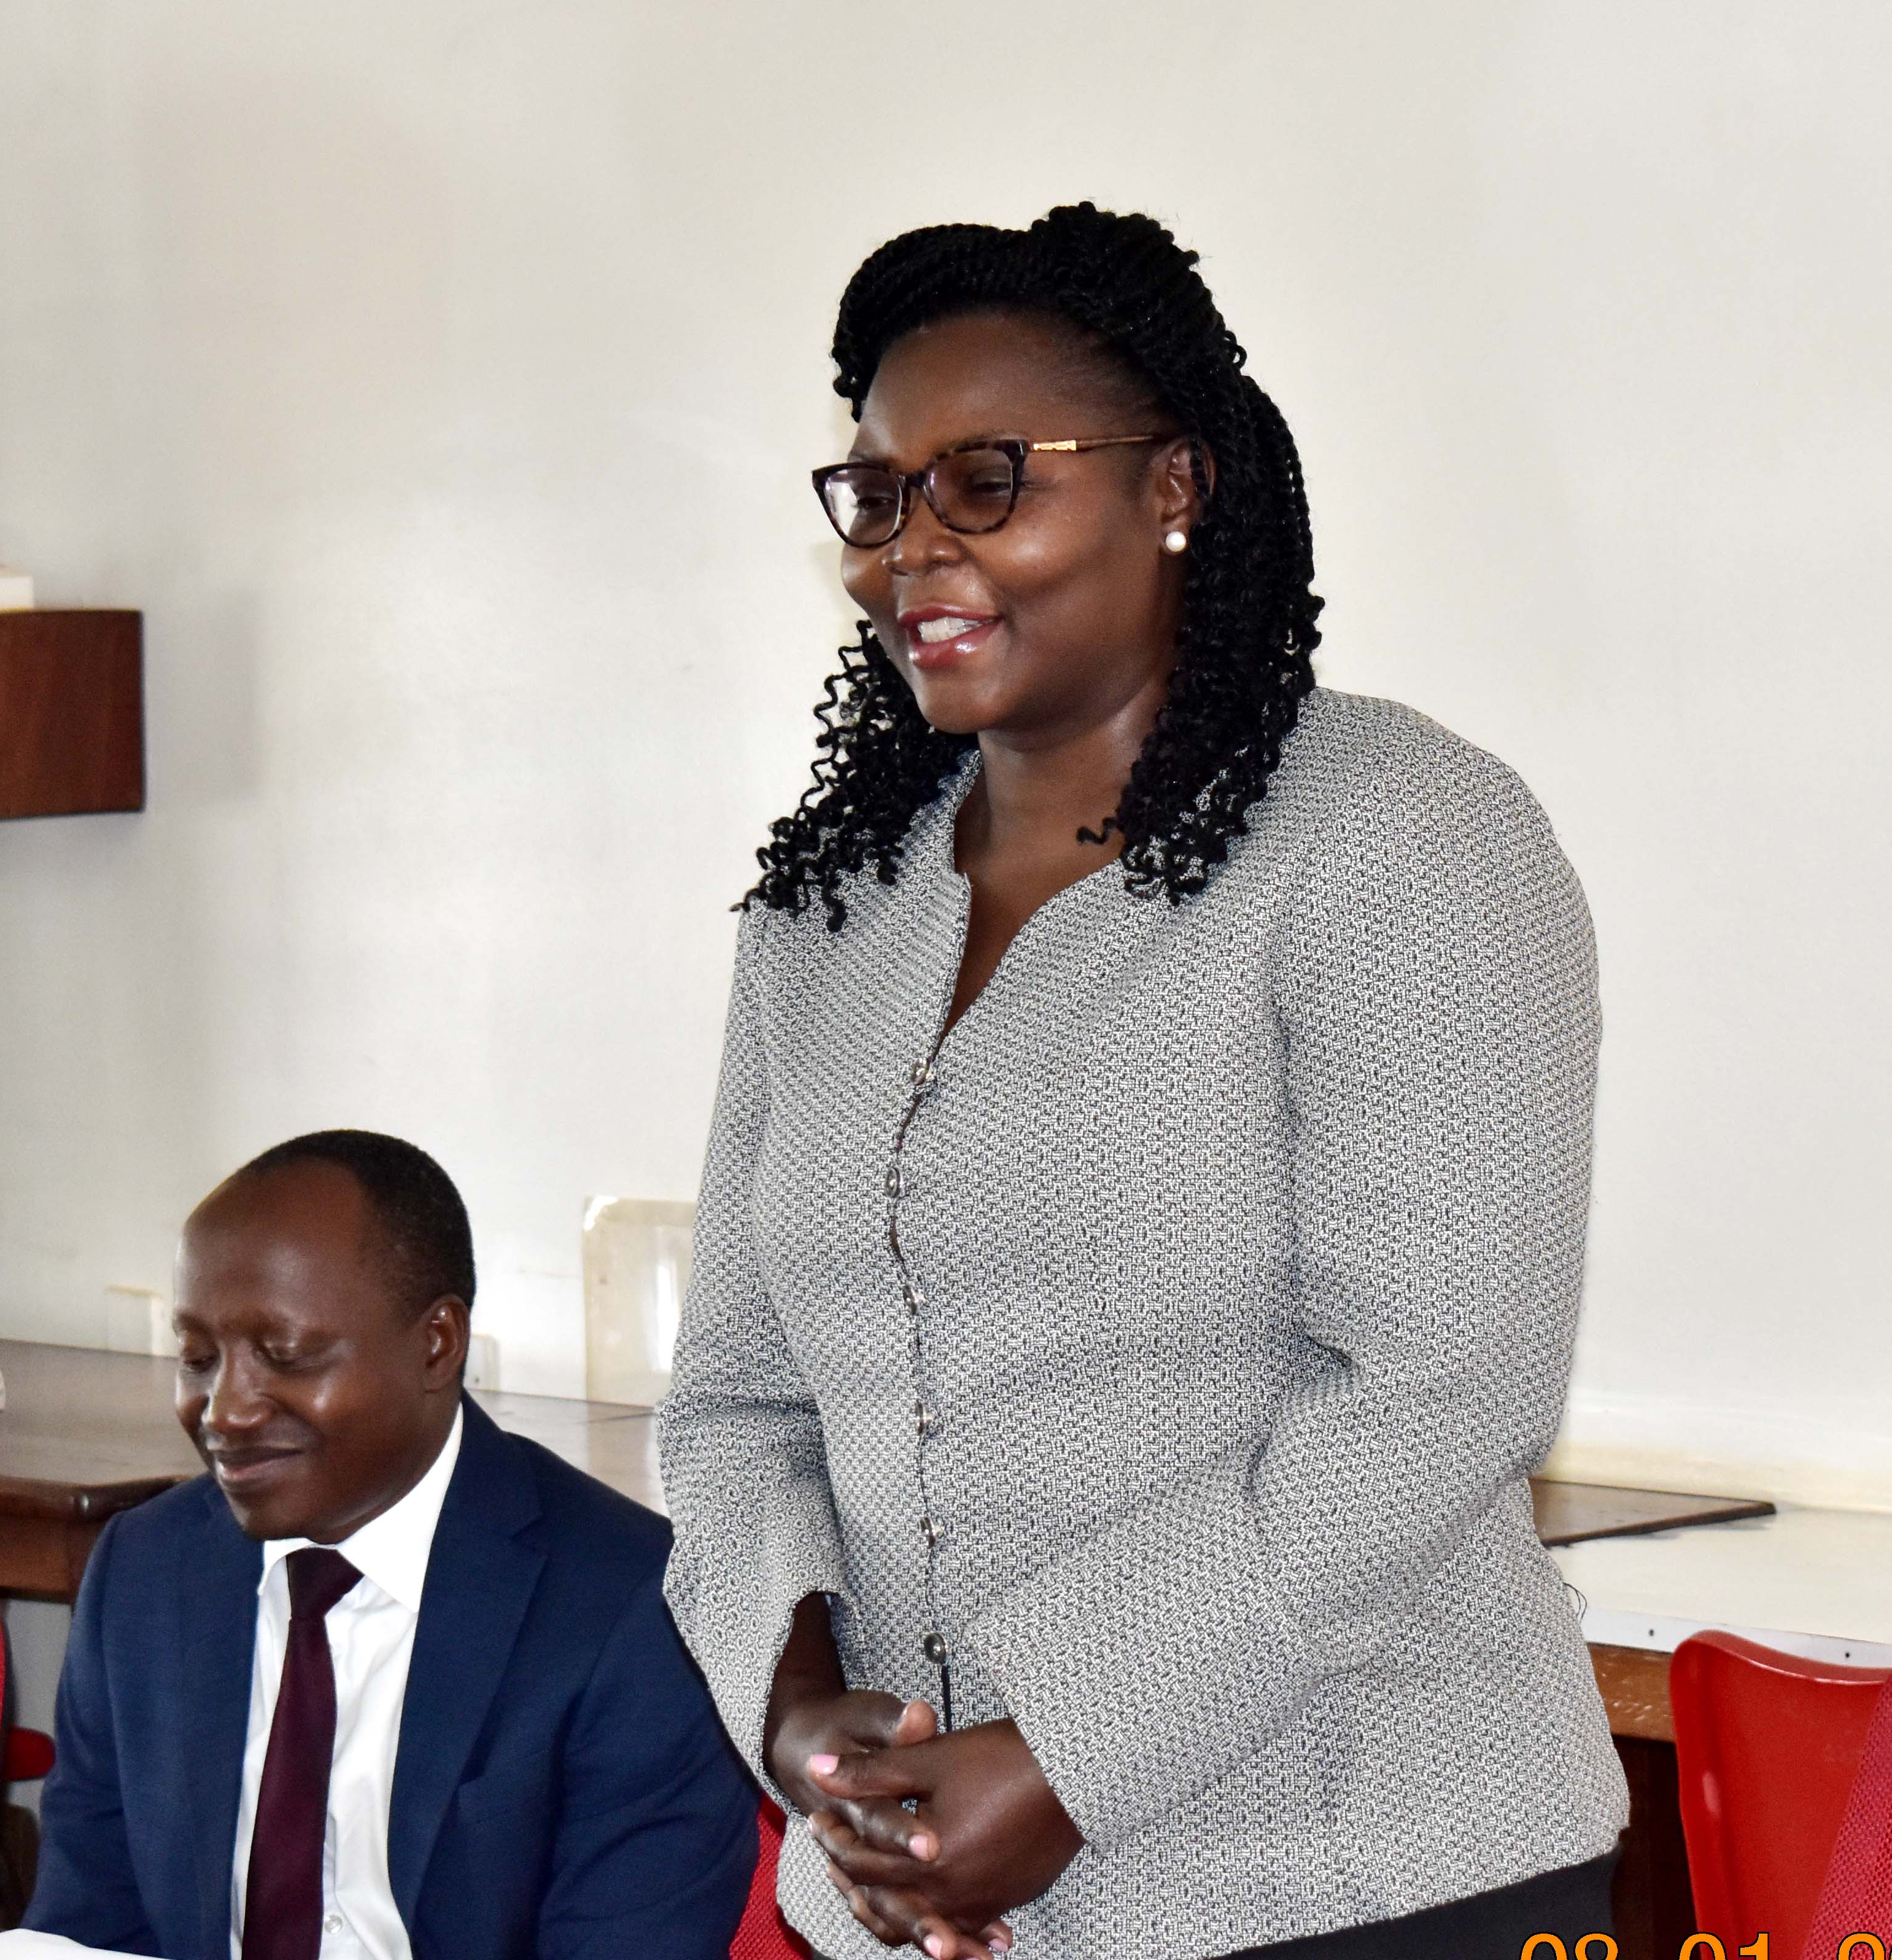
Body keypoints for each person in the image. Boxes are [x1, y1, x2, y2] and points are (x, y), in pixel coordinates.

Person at [656, 205, 1629, 1960]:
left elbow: (1438, 1388)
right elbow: (732, 1404)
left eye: (987, 483)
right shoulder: (825, 914)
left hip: (1360, 1879)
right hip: (902, 1897)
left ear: (1173, 486)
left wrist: (1060, 1756)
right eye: (877, 495)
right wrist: (805, 1730)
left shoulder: (1397, 836)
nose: (911, 551)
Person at [28, 1129, 758, 1960]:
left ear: (436, 1344)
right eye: (198, 1357)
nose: (224, 1410)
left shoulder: (630, 1608)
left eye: (285, 1356)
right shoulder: (145, 1572)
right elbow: (87, 1930)